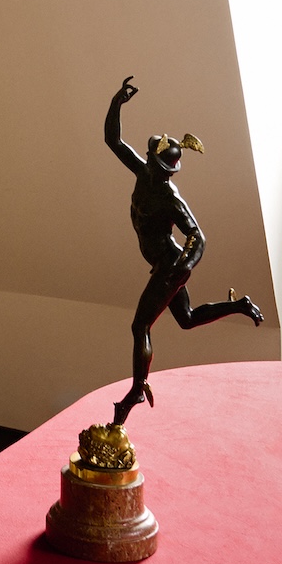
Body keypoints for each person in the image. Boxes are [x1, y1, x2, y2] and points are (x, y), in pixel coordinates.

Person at [105, 76, 263, 425]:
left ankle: (137, 389)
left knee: (140, 326)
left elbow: (197, 236)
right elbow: (113, 141)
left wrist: (181, 267)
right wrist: (117, 103)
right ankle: (239, 304)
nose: (154, 167)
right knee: (187, 319)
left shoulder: (169, 196)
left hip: (170, 264)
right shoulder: (143, 173)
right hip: (167, 263)